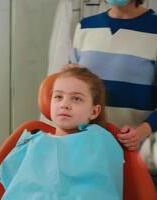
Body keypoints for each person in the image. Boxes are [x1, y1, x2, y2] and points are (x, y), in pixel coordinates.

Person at [0, 68, 124, 199]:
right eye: (58, 97)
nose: (64, 104)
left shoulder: (100, 141)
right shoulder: (32, 142)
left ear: (94, 112)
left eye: (76, 99)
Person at [66, 0, 157, 185]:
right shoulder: (86, 26)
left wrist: (141, 131)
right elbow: (74, 88)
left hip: (137, 150)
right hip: (89, 148)